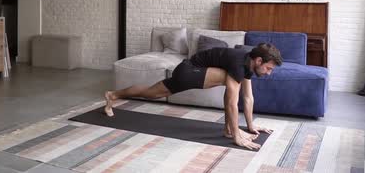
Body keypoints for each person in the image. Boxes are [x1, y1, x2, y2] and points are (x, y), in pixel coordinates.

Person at [104, 42, 283, 150]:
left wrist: (251, 126)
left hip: (187, 70)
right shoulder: (238, 65)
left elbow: (248, 97)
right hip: (190, 71)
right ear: (259, 61)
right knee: (230, 84)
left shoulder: (248, 65)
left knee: (152, 93)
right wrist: (236, 135)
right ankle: (230, 131)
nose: (268, 73)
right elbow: (231, 102)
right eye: (268, 68)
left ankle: (113, 95)